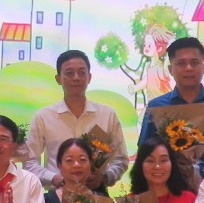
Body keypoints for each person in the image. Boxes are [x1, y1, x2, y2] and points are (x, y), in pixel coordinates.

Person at [25, 49, 129, 190]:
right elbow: (30, 162)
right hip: (57, 195)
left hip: (96, 194)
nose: (76, 78)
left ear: (89, 77)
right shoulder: (43, 117)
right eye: (69, 73)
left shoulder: (107, 115)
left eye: (81, 72)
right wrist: (53, 177)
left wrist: (104, 178)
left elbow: (120, 159)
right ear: (58, 79)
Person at [138, 37, 204, 186]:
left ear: (203, 68)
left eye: (194, 62)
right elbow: (144, 152)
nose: (188, 68)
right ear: (170, 70)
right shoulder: (156, 106)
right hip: (169, 189)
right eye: (181, 63)